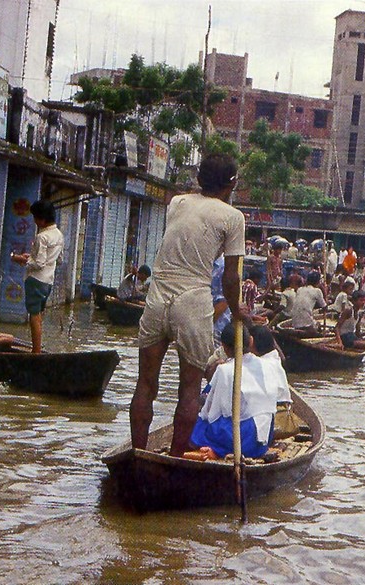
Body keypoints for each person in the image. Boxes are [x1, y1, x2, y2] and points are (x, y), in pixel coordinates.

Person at [132, 153, 247, 457]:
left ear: (199, 180)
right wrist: (237, 312)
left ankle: (138, 452)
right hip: (193, 301)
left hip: (157, 297)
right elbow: (231, 280)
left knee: (145, 384)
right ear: (232, 184)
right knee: (189, 388)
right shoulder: (233, 217)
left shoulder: (177, 203)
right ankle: (177, 457)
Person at [189, 326, 279, 459]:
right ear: (251, 341)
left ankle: (218, 450)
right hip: (264, 437)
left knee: (197, 427)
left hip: (242, 438)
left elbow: (218, 412)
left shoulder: (224, 370)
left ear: (224, 347)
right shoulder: (268, 365)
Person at [9, 199, 63, 354]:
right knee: (39, 315)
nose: (34, 221)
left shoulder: (42, 237)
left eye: (35, 218)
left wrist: (23, 259)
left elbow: (38, 263)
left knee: (34, 315)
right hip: (48, 281)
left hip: (36, 280)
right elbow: (59, 259)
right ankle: (37, 348)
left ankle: (36, 351)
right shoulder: (58, 235)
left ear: (42, 219)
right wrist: (32, 257)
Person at [335, 290, 365, 360]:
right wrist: (340, 342)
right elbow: (337, 328)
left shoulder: (359, 314)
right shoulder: (348, 311)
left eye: (364, 300)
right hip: (345, 338)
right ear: (354, 301)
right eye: (361, 300)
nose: (363, 303)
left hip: (352, 337)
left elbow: (357, 333)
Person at [290, 271, 327, 336]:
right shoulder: (317, 291)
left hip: (295, 322)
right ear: (318, 282)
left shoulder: (300, 289)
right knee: (318, 327)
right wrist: (324, 291)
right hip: (306, 321)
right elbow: (324, 307)